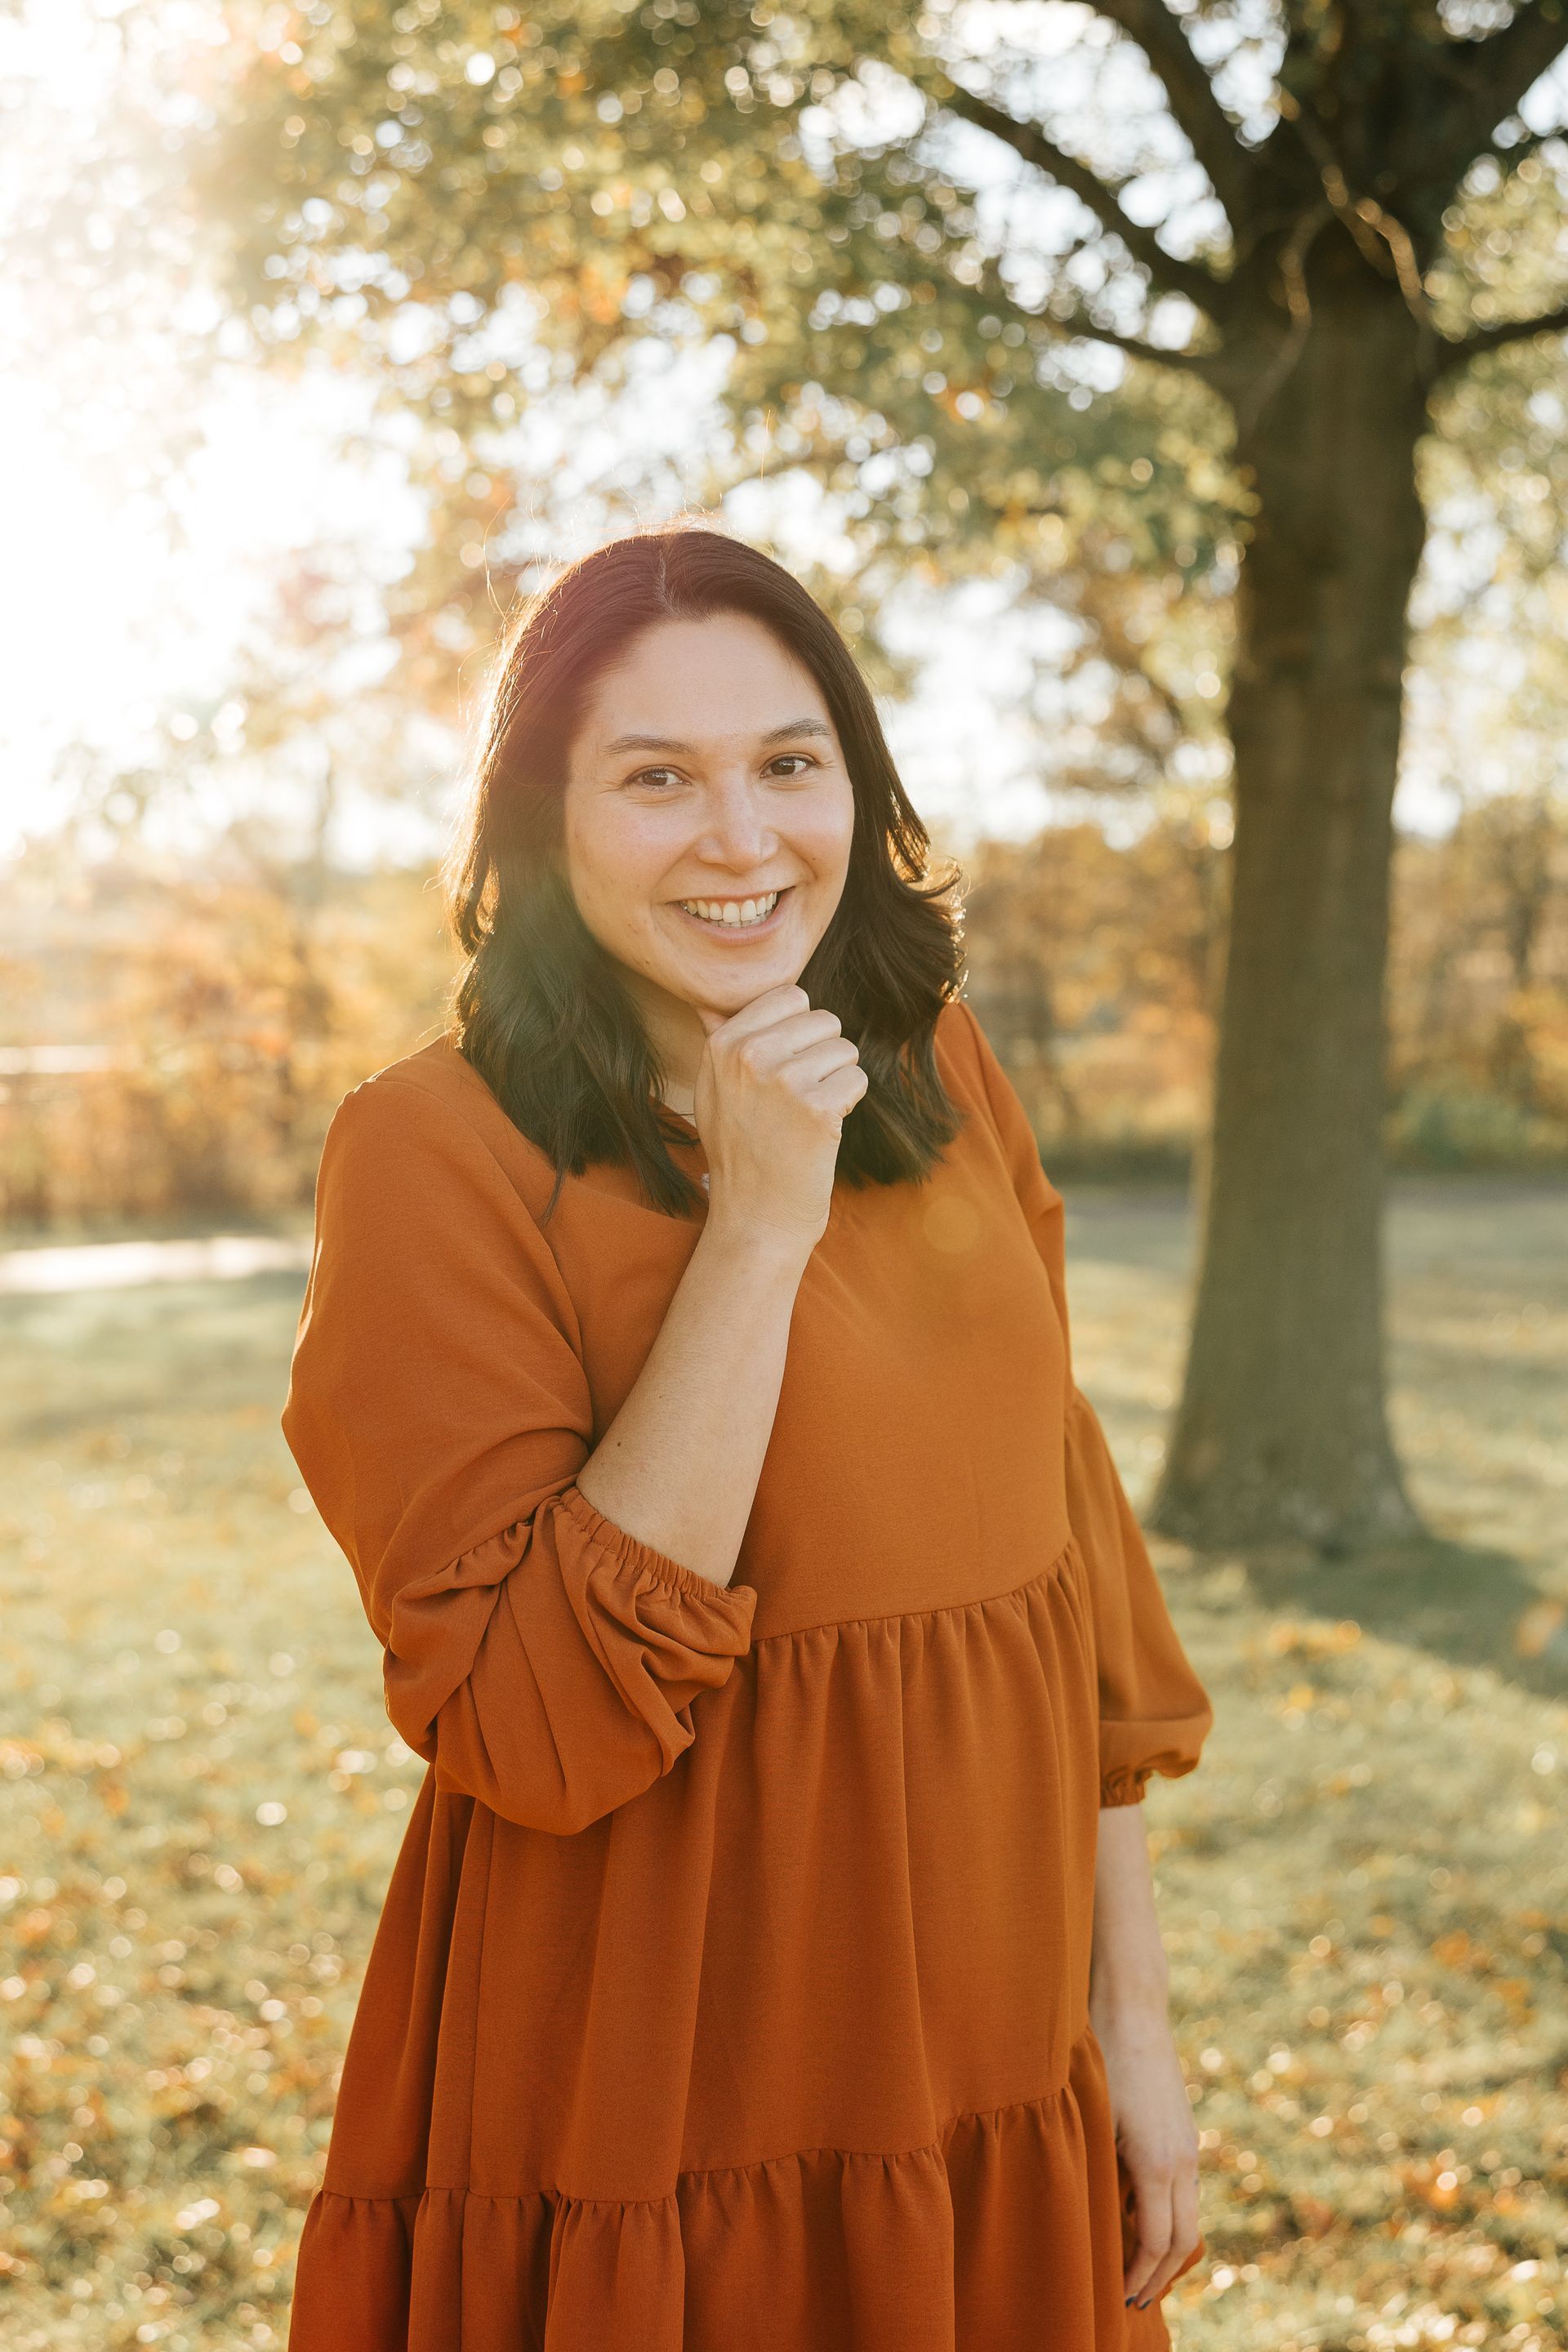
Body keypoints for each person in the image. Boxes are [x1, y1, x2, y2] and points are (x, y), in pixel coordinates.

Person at [279, 520, 1214, 2352]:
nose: (741, 837)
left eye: (791, 764)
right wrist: (757, 1232)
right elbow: (538, 1727)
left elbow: (1068, 1562)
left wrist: (1134, 2023)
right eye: (656, 779)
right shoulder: (434, 1155)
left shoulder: (942, 1070)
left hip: (992, 2039)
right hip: (669, 2072)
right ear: (541, 824)